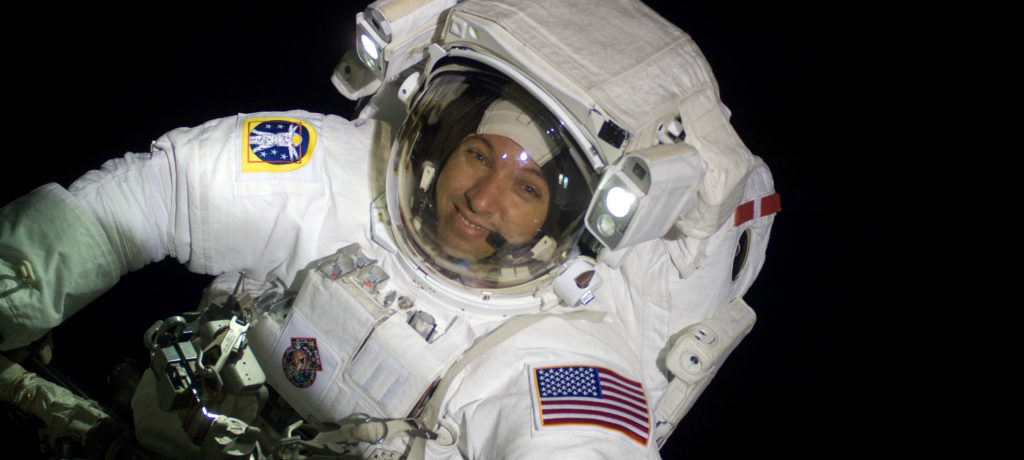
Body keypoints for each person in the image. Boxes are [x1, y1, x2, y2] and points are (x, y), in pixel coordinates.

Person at [1, 0, 778, 458]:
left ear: (566, 220)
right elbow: (142, 200)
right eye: (478, 154)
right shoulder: (338, 183)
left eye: (527, 188)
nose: (483, 197)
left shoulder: (562, 356)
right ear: (445, 142)